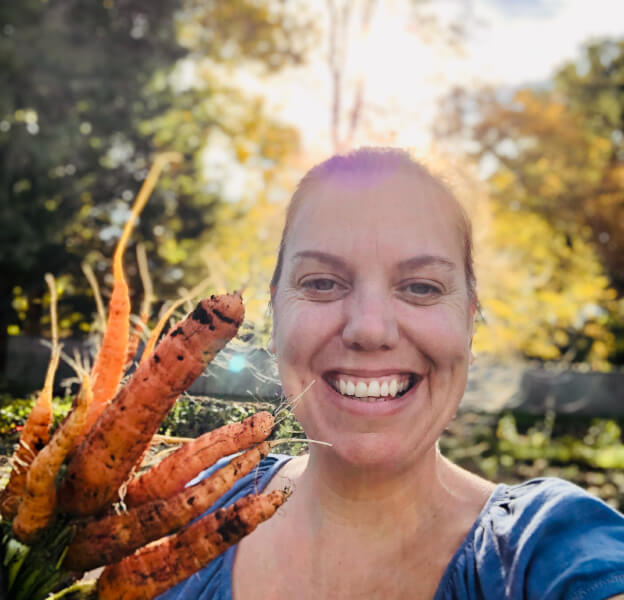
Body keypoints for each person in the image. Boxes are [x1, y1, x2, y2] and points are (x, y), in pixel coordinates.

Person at [160, 147, 624, 599]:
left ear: (468, 321)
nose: (369, 329)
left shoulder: (545, 548)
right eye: (322, 283)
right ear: (275, 312)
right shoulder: (194, 501)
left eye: (421, 287)